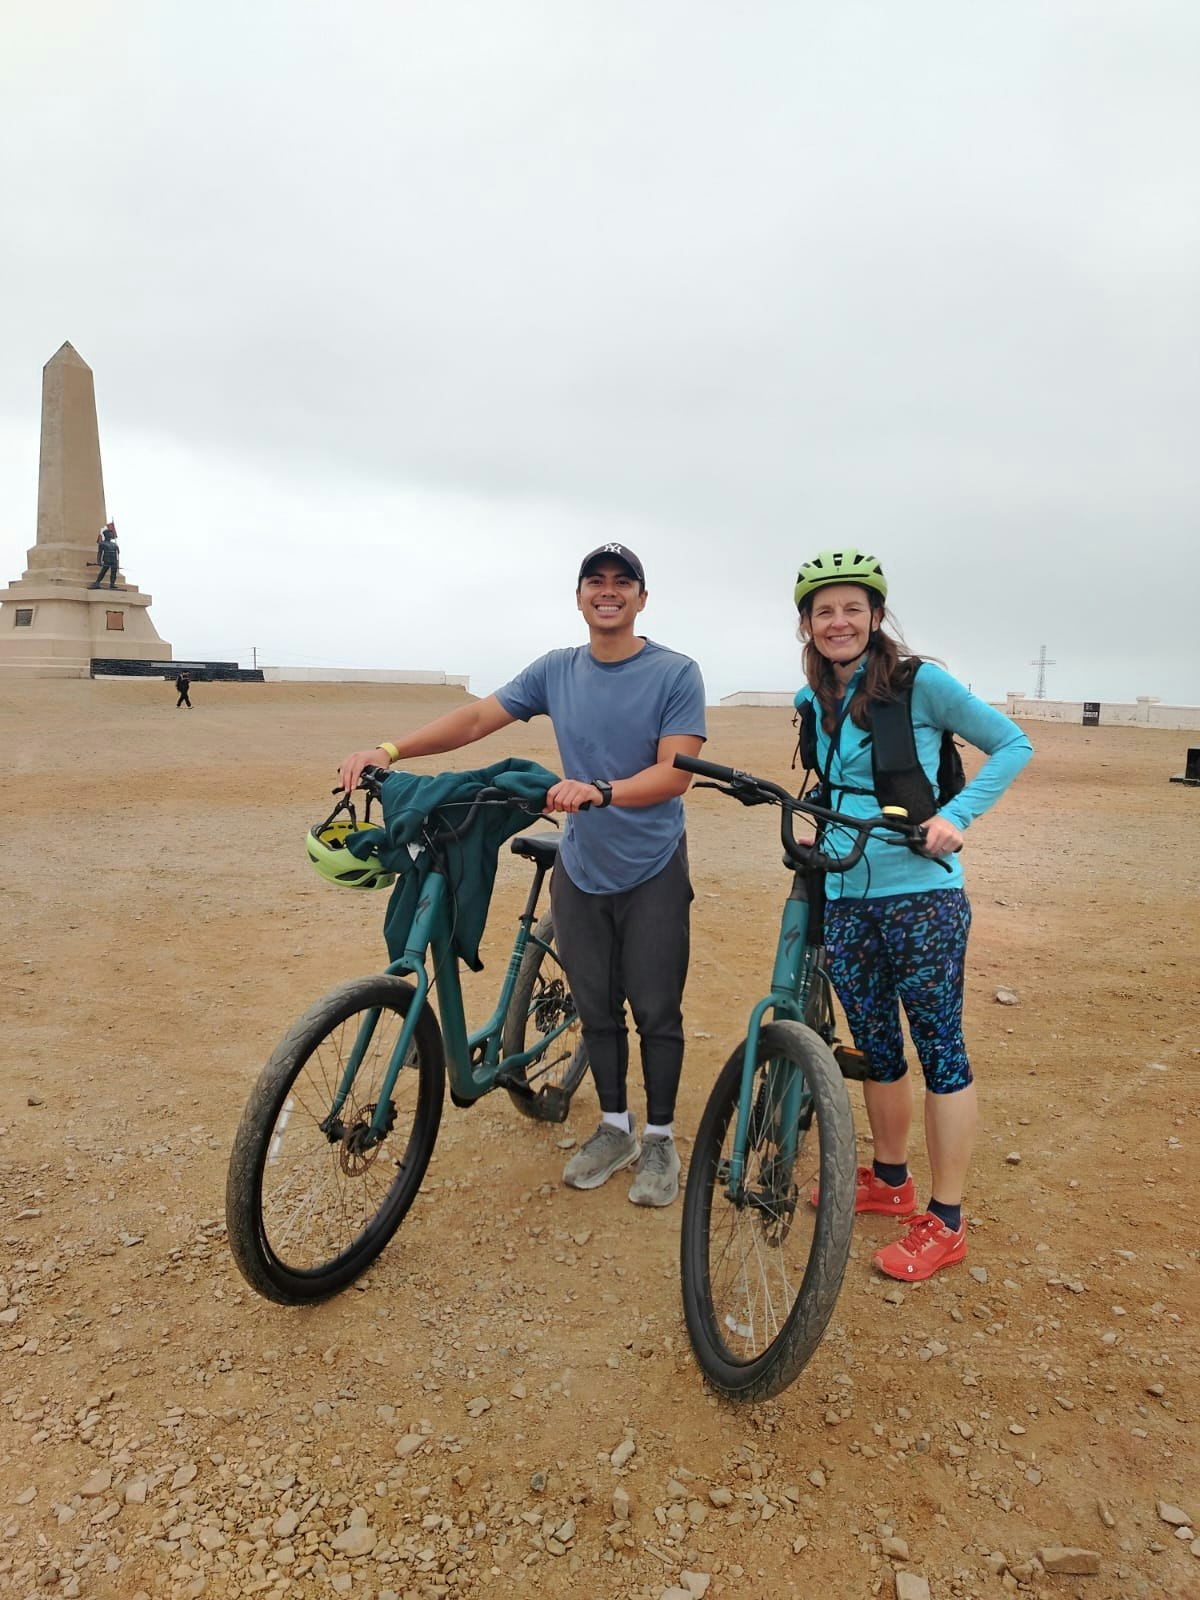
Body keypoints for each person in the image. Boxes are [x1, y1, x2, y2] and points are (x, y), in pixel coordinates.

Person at [339, 544, 707, 1207]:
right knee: (595, 1007)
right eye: (595, 581)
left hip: (651, 864)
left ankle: (659, 1138)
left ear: (642, 600)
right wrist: (389, 749)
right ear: (579, 597)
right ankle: (615, 1126)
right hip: (583, 864)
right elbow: (480, 717)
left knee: (655, 1009)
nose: (608, 591)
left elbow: (675, 772)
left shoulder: (675, 672)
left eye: (623, 583)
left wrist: (602, 790)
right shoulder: (557, 670)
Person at [795, 547, 1032, 1281]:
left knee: (939, 1050)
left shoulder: (921, 683)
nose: (839, 622)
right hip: (844, 896)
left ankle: (948, 1218)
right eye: (824, 610)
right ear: (806, 623)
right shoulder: (812, 701)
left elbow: (1011, 744)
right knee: (876, 1045)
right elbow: (835, 784)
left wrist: (956, 817)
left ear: (874, 616)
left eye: (852, 609)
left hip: (921, 897)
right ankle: (891, 1181)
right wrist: (822, 828)